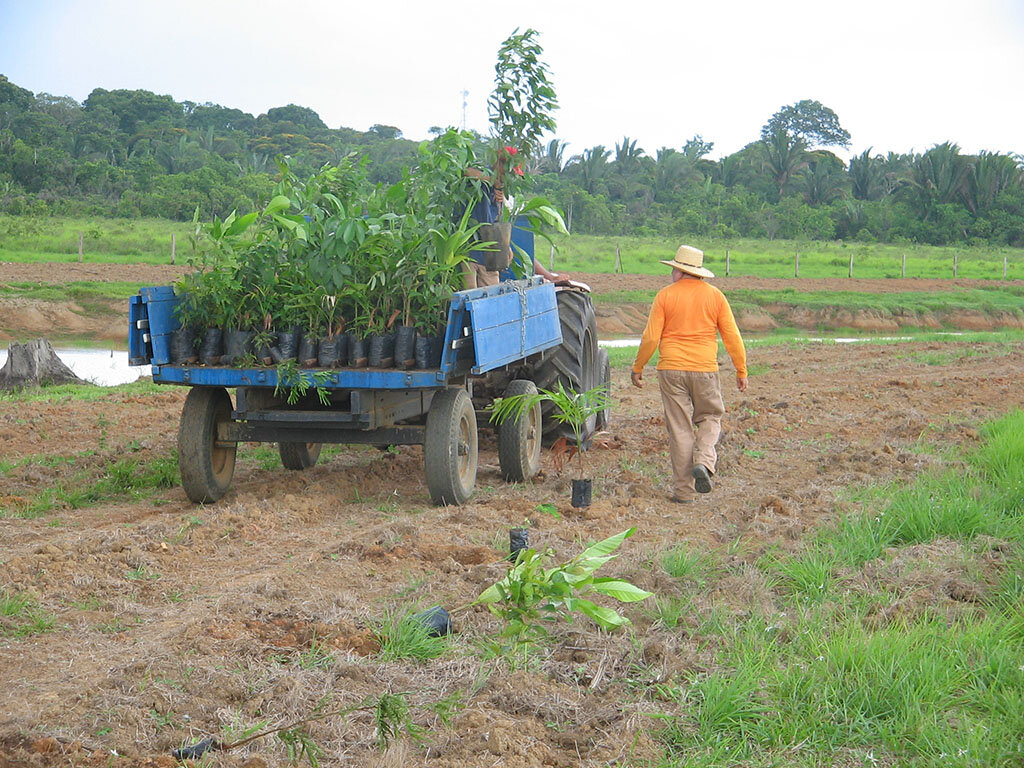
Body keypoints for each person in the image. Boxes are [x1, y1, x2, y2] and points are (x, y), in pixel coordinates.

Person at [630, 245, 748, 502]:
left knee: (680, 429)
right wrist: (741, 369)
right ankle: (704, 462)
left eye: (674, 268)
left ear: (680, 271)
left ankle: (684, 492)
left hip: (670, 369)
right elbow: (732, 336)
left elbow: (651, 337)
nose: (672, 272)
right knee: (710, 417)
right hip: (705, 369)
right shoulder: (715, 297)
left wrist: (638, 367)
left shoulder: (664, 296)